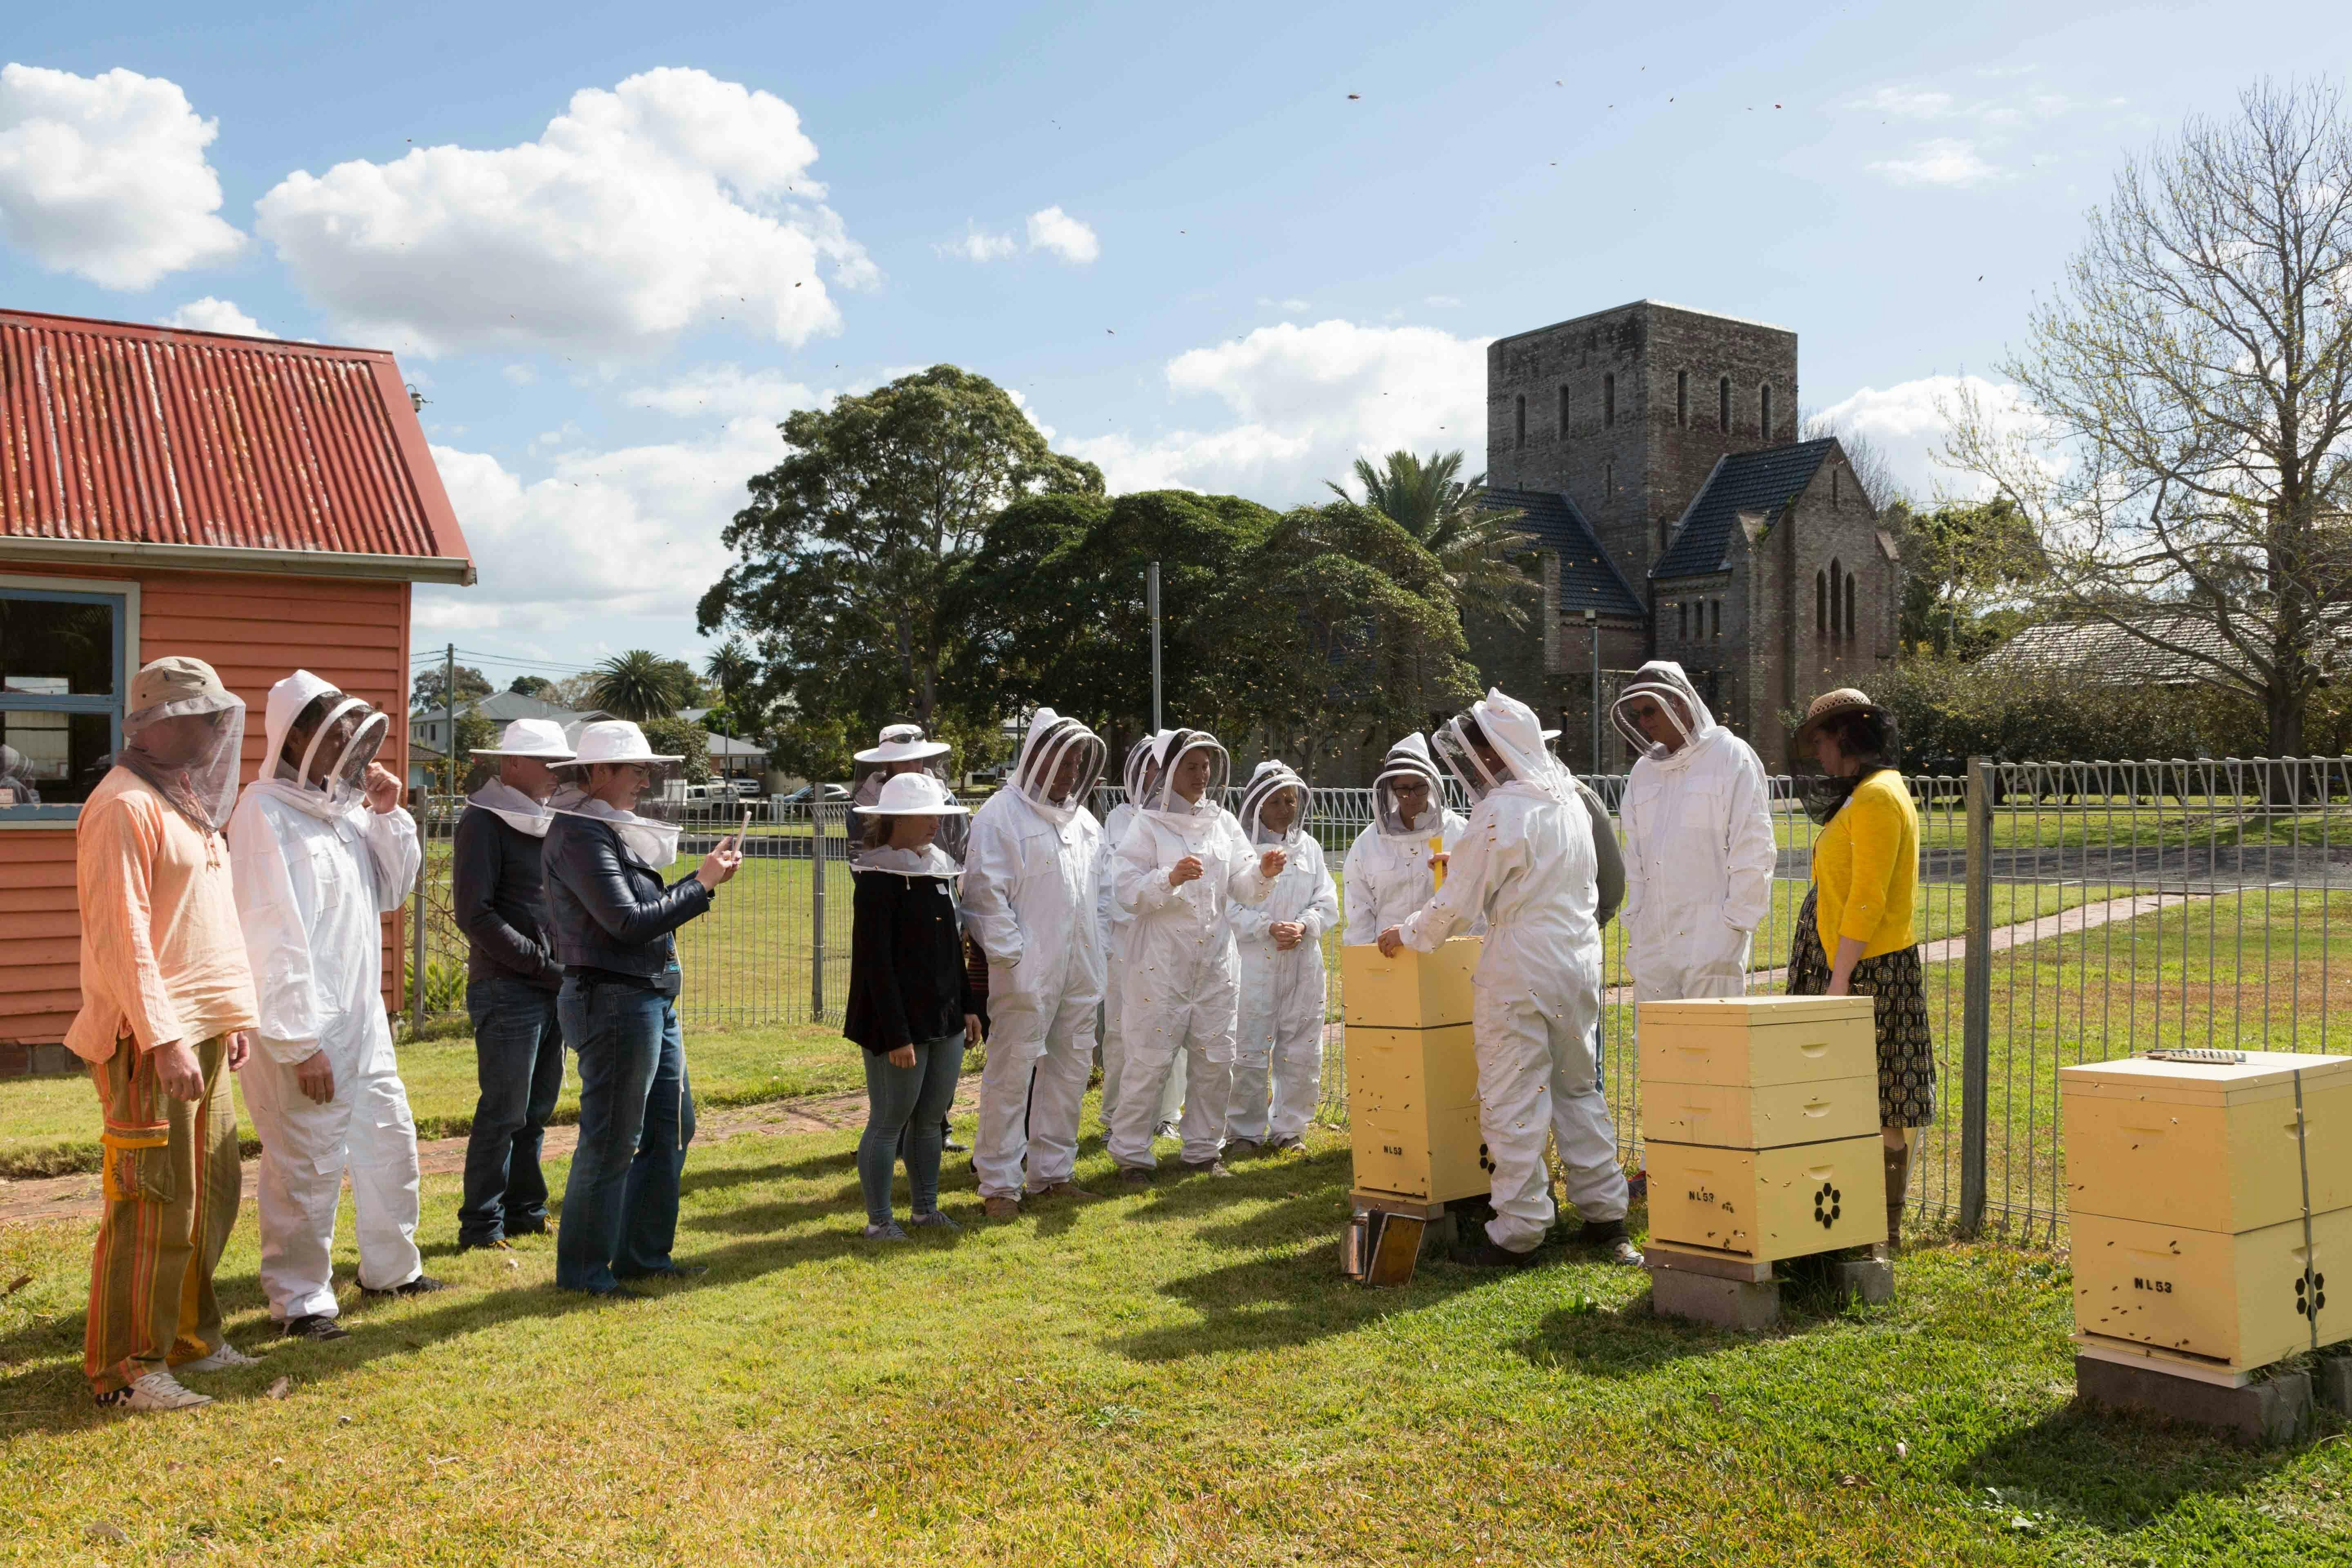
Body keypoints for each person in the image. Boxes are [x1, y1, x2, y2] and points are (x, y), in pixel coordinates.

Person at [1379, 688, 1640, 1268]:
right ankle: (1606, 1216)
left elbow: (1458, 904)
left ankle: (1518, 1232)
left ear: (1498, 751)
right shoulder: (1568, 801)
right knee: (1578, 1088)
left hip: (1521, 962)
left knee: (1512, 1095)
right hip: (1578, 959)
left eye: (1480, 752)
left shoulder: (1502, 810)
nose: (1476, 764)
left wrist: (1409, 932)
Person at [67, 657, 259, 1412]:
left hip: (202, 1031)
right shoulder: (122, 806)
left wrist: (230, 1015)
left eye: (218, 716)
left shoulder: (183, 800)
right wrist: (163, 1037)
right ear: (155, 725)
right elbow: (121, 936)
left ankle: (189, 1342)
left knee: (209, 1197)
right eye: (203, 716)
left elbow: (204, 924)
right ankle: (125, 1370)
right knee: (152, 1203)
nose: (216, 730)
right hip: (150, 1042)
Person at [229, 671, 435, 1339]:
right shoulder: (263, 814)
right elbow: (272, 937)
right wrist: (299, 1043)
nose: (350, 749)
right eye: (337, 735)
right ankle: (301, 1303)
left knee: (388, 1138)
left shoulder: (342, 813)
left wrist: (387, 814)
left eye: (353, 735)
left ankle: (393, 1270)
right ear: (297, 740)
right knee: (306, 1163)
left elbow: (391, 891)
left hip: (362, 1021)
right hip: (303, 1031)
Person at [543, 721, 741, 1295]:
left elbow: (638, 911)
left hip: (645, 997)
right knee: (612, 1139)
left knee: (671, 1126)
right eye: (636, 770)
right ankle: (584, 1274)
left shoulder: (605, 828)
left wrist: (700, 881)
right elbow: (627, 922)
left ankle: (643, 1257)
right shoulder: (581, 834)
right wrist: (701, 885)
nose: (645, 781)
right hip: (615, 1001)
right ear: (601, 771)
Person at [1784, 688, 1935, 1254]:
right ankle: (1845, 1226)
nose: (1818, 756)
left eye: (1821, 742)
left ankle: (1879, 1236)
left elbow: (1869, 899)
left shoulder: (1876, 797)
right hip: (1851, 964)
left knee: (1882, 1100)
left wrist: (1839, 979)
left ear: (1846, 737)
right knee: (1849, 1097)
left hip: (1867, 970)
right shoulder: (1867, 794)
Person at [1109, 729, 1286, 1182]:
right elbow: (1125, 890)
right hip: (1160, 964)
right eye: (1191, 766)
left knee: (1215, 1059)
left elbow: (1242, 885)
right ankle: (1132, 1156)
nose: (1201, 774)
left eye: (1206, 765)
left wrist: (1263, 873)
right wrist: (1169, 878)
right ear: (1169, 771)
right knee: (1149, 1060)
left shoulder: (1222, 823)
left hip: (1215, 964)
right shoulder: (1147, 825)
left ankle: (1204, 1151)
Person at [957, 708, 1108, 1219]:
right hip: (1024, 976)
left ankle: (1053, 1175)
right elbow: (984, 896)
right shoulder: (1000, 816)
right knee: (1011, 1074)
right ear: (1036, 758)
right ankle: (999, 1185)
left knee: (1070, 1071)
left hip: (1080, 972)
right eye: (1063, 760)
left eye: (1078, 762)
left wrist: (1098, 950)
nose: (1071, 771)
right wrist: (1014, 960)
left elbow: (1103, 897)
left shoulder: (1085, 823)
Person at [452, 719, 575, 1252]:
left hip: (549, 985)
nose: (557, 773)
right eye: (548, 763)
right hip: (506, 987)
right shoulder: (483, 820)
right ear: (512, 764)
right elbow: (474, 914)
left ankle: (526, 1213)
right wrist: (539, 964)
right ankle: (481, 1226)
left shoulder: (545, 817)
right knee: (504, 1110)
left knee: (537, 1110)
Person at [845, 772, 982, 1238]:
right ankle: (879, 1221)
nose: (935, 824)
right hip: (897, 1024)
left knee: (930, 1120)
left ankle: (926, 1210)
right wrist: (897, 1034)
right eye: (926, 815)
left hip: (943, 1018)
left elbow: (952, 948)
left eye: (938, 815)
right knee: (889, 1121)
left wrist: (967, 1007)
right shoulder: (876, 878)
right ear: (896, 819)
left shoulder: (938, 869)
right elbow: (876, 966)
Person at [1612, 662, 1775, 1006]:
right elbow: (1636, 854)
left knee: (1711, 1035)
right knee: (1656, 1035)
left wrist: (1734, 923)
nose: (1644, 721)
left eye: (1650, 710)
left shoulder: (1730, 755)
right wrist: (1638, 917)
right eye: (1637, 714)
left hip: (1712, 933)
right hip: (1654, 936)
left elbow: (1754, 843)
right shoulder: (1644, 771)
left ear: (1681, 702)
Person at [853, 723, 967, 1152]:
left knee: (932, 1105)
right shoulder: (870, 808)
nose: (913, 765)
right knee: (893, 1111)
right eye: (903, 760)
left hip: (936, 907)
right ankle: (897, 1139)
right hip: (898, 924)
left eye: (918, 758)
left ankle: (936, 1131)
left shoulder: (940, 799)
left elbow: (954, 849)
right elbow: (877, 959)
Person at [1226, 762, 1338, 1157]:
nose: (1284, 809)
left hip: (1304, 962)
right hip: (1254, 963)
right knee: (1249, 1046)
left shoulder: (1308, 847)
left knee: (1302, 1047)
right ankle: (1243, 1132)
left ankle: (1291, 1129)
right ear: (1257, 805)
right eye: (1275, 802)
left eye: (1290, 801)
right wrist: (1267, 928)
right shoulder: (1239, 851)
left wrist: (1305, 925)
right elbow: (1228, 908)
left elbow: (1327, 899)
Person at [1094, 731, 1173, 1138]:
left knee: (1169, 1026)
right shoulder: (1119, 820)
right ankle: (1115, 1115)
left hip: (1170, 941)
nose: (1159, 778)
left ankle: (1165, 1115)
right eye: (1153, 770)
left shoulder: (1183, 820)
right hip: (1126, 941)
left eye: (1165, 770)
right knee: (1121, 1029)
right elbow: (1115, 885)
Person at [1340, 734, 1468, 947]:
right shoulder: (1369, 842)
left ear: (1432, 784)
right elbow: (1359, 907)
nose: (1412, 796)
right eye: (1403, 789)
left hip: (1447, 949)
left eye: (1419, 787)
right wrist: (1363, 952)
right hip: (1388, 952)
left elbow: (1472, 900)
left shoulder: (1459, 832)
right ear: (1391, 789)